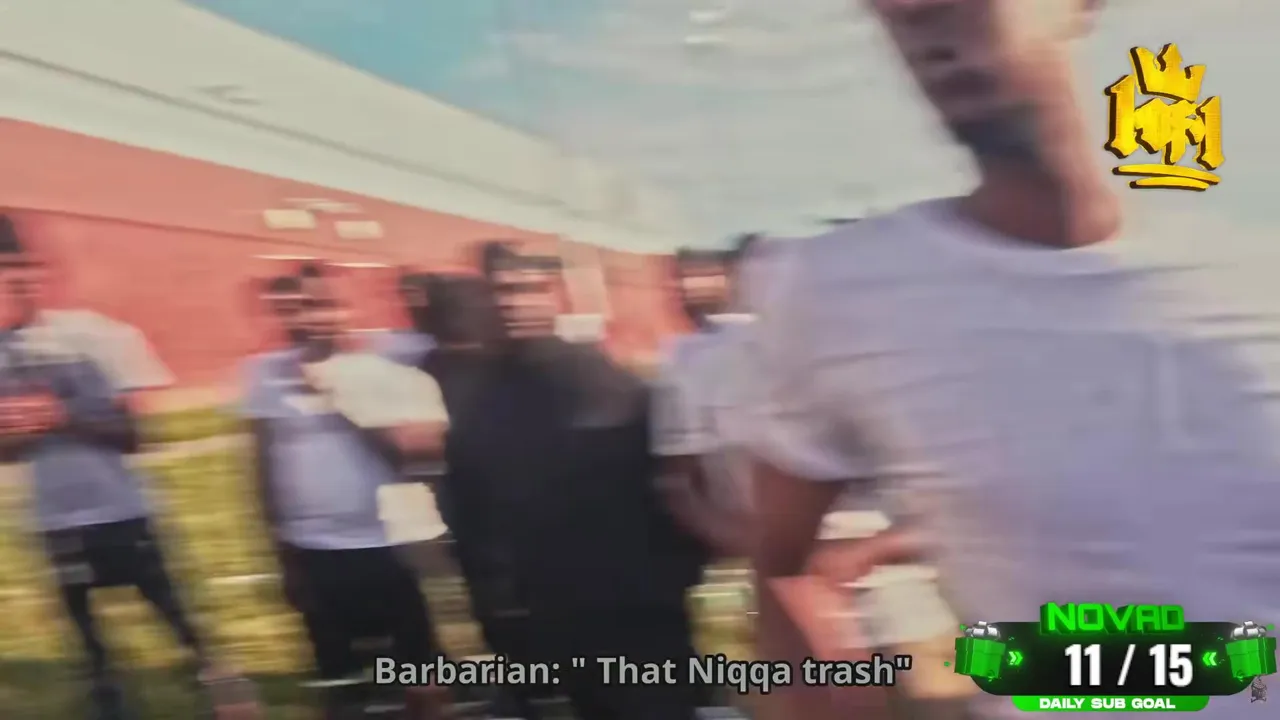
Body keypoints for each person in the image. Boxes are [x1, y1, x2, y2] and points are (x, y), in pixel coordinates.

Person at [747, 2, 1280, 719]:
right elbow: (783, 566)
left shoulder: (1255, 275)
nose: (923, 21)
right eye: (893, 11)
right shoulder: (839, 290)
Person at [444, 241, 706, 720]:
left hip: (636, 611)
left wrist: (671, 579)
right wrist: (495, 601)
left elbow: (674, 484)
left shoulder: (614, 384)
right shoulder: (479, 399)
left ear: (558, 296)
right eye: (501, 291)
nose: (513, 304)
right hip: (547, 611)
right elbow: (471, 507)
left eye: (528, 289)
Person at [0, 215, 238, 720]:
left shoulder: (96, 335)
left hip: (123, 511)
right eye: (3, 271)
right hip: (54, 521)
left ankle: (232, 697)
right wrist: (16, 431)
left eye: (20, 267)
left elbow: (133, 436)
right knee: (90, 647)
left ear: (40, 270)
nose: (13, 281)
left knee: (181, 622)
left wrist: (62, 417)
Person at [241, 262, 449, 720]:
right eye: (305, 306)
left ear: (354, 306)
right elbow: (262, 465)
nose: (318, 317)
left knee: (420, 677)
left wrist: (348, 396)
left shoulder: (395, 362)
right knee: (342, 681)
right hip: (312, 547)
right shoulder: (265, 373)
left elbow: (420, 457)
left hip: (390, 543)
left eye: (330, 304)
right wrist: (280, 551)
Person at [651, 237, 762, 561]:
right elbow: (678, 477)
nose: (689, 286)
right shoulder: (684, 358)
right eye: (684, 274)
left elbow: (677, 479)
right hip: (748, 540)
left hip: (763, 539)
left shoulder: (688, 358)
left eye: (704, 272)